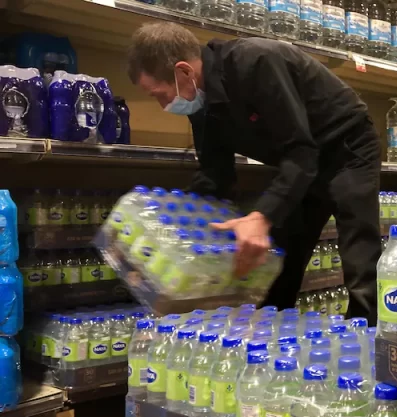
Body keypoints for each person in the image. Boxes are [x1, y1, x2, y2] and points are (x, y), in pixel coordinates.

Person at [126, 22, 380, 321]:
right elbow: (215, 174)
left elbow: (301, 151)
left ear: (184, 72)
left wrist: (261, 216)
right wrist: (171, 233)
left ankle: (369, 335)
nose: (163, 105)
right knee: (277, 258)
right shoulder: (200, 100)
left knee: (359, 257)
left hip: (345, 148)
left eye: (160, 94)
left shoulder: (256, 62)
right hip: (298, 163)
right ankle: (272, 331)